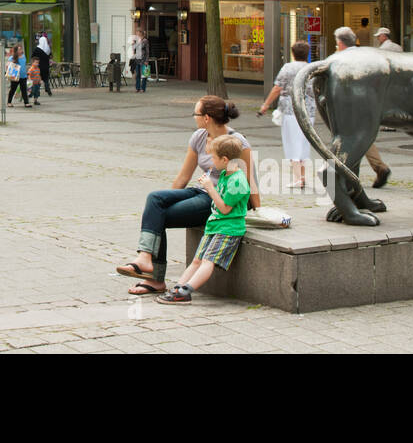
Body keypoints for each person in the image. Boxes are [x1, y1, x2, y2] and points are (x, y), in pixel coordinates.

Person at [115, 96, 260, 295]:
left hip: (217, 198)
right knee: (155, 199)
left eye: (196, 114)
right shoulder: (199, 137)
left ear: (207, 118)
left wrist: (258, 211)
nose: (194, 117)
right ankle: (145, 258)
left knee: (161, 215)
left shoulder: (237, 142)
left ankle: (155, 280)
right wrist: (166, 203)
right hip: (200, 190)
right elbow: (184, 176)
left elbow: (251, 180)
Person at [156, 135, 251, 303]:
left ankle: (186, 291)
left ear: (225, 159)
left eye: (213, 158)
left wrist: (209, 187)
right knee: (197, 260)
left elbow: (225, 208)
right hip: (214, 225)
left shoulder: (238, 181)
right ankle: (179, 286)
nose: (211, 162)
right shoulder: (225, 174)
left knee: (208, 261)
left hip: (228, 228)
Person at [333, 26, 392, 188]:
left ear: (340, 43)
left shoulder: (340, 59)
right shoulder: (367, 56)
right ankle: (379, 167)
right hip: (369, 103)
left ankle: (349, 176)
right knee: (362, 137)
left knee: (350, 138)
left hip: (349, 106)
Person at [257, 40, 315, 189]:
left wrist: (266, 105)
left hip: (291, 110)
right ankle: (302, 177)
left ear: (293, 53)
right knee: (304, 143)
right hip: (309, 110)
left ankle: (297, 179)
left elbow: (277, 88)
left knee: (292, 143)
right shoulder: (312, 69)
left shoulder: (288, 68)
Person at [5, 43, 30, 108]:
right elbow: (8, 66)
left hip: (23, 76)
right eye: (19, 49)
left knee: (24, 89)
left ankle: (26, 103)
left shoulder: (24, 56)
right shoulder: (12, 58)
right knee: (13, 89)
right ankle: (9, 102)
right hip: (15, 76)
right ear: (16, 51)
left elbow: (24, 65)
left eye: (21, 49)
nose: (20, 51)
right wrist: (12, 63)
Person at [34, 30, 53, 97]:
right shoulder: (48, 49)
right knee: (46, 79)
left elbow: (34, 57)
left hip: (39, 66)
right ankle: (48, 90)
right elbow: (50, 56)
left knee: (38, 79)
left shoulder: (37, 49)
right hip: (46, 66)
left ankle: (36, 91)